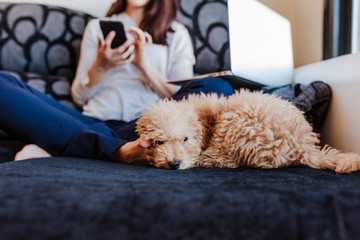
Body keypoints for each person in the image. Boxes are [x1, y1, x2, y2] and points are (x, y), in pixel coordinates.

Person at [0, 0, 234, 164]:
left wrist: (145, 67)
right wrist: (101, 65)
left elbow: (182, 96)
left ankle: (67, 146)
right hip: (88, 121)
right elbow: (80, 96)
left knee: (216, 87)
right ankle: (113, 148)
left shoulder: (176, 33)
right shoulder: (98, 29)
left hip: (144, 127)